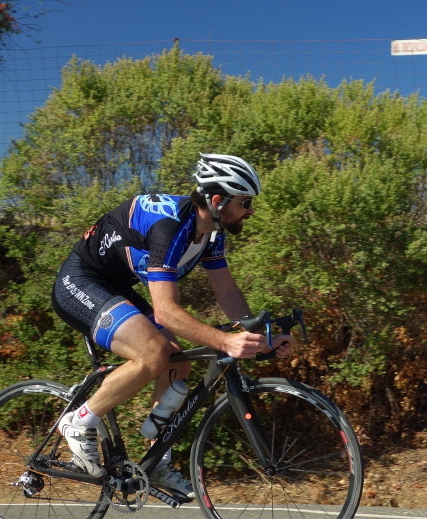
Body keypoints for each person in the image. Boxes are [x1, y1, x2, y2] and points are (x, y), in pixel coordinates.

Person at [50, 153, 293, 499]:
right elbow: (166, 312)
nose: (251, 210)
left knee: (177, 362)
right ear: (218, 200)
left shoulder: (211, 232)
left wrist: (259, 337)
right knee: (155, 353)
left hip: (115, 287)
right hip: (80, 281)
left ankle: (156, 459)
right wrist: (226, 342)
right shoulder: (170, 228)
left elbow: (226, 290)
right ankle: (79, 420)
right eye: (246, 202)